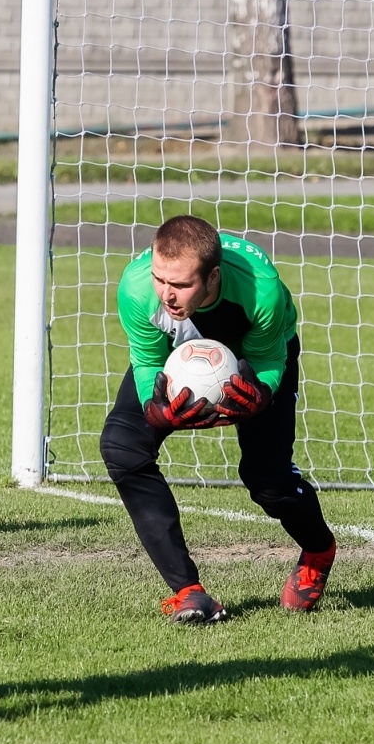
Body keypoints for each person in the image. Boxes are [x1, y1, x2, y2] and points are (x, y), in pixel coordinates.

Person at [101, 215, 338, 623]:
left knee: (267, 480)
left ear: (212, 276)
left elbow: (269, 357)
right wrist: (153, 409)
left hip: (255, 353)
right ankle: (189, 592)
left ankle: (318, 549)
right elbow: (147, 361)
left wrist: (261, 396)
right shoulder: (136, 289)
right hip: (178, 353)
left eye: (180, 285)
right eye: (160, 279)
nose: (166, 294)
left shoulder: (261, 291)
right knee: (122, 448)